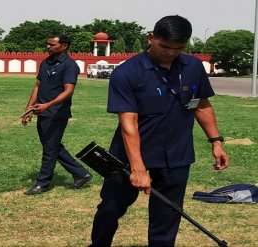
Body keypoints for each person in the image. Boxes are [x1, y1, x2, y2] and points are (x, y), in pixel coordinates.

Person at [89, 15, 229, 246]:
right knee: (110, 208)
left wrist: (216, 141)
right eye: (165, 46)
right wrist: (137, 168)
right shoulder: (126, 73)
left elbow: (201, 104)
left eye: (179, 48)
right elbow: (129, 125)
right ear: (151, 38)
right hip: (127, 157)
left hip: (176, 156)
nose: (171, 53)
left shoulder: (193, 66)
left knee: (167, 216)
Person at [21, 33, 93, 196]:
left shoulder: (69, 65)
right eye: (48, 44)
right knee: (52, 146)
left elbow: (69, 91)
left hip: (56, 113)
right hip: (42, 111)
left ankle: (42, 183)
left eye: (52, 45)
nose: (48, 47)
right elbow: (38, 86)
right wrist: (29, 108)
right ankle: (81, 174)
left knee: (49, 148)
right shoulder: (46, 62)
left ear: (64, 46)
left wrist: (48, 105)